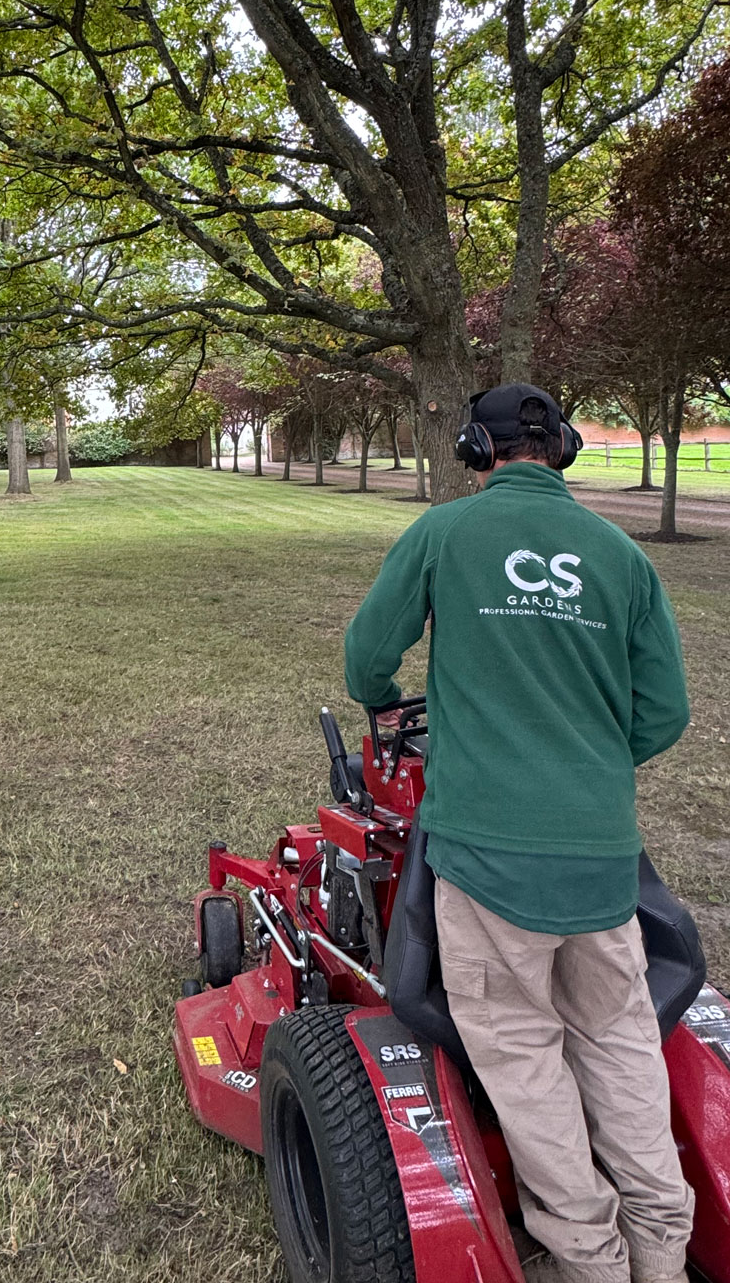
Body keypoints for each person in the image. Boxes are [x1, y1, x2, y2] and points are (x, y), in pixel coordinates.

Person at [342, 383, 694, 1283]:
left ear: (474, 449)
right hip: (605, 862)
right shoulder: (621, 557)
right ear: (566, 448)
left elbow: (366, 660)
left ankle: (588, 1258)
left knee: (523, 1050)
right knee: (617, 1042)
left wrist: (386, 702)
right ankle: (662, 1243)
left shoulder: (444, 535)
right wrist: (586, 768)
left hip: (485, 859)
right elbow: (664, 712)